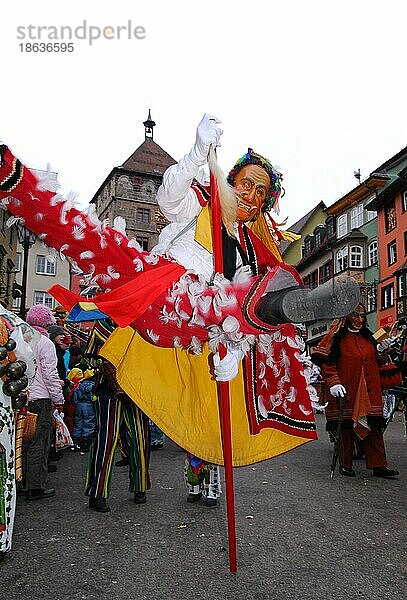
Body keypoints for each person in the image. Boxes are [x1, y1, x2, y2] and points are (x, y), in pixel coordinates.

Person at [0, 120, 359, 471]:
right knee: (96, 241)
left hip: (195, 320)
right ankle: (15, 182)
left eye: (260, 192)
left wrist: (234, 349)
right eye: (246, 184)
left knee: (231, 300)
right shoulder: (200, 201)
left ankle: (283, 305)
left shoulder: (252, 249)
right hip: (156, 283)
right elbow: (168, 197)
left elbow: (230, 299)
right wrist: (196, 154)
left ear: (266, 203)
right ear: (230, 181)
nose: (250, 195)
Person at [311, 304, 399, 478]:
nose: (359, 320)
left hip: (369, 391)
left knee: (374, 429)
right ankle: (345, 464)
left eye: (362, 316)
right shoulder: (336, 338)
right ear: (347, 318)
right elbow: (327, 363)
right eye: (355, 316)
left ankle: (379, 465)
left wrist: (381, 350)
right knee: (345, 430)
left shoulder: (369, 338)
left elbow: (380, 362)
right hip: (347, 390)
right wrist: (334, 382)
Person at [85, 358, 150, 513]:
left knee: (140, 438)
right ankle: (97, 493)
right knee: (106, 440)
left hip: (137, 387)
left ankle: (140, 486)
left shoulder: (140, 332)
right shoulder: (101, 332)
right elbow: (92, 360)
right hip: (108, 391)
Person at [0, 305, 36, 555]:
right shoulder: (8, 321)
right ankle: (1, 539)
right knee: (4, 468)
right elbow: (27, 365)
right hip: (1, 406)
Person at [24, 304, 65, 499]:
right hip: (40, 398)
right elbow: (50, 374)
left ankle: (21, 482)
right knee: (39, 442)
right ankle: (36, 486)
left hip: (22, 396)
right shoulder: (45, 343)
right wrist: (59, 399)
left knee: (22, 441)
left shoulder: (22, 338)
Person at [71, 369, 96, 453]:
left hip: (79, 406)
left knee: (78, 422)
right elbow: (94, 398)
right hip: (88, 406)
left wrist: (76, 404)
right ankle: (86, 441)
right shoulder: (93, 386)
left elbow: (74, 398)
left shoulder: (79, 386)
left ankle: (76, 440)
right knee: (88, 422)